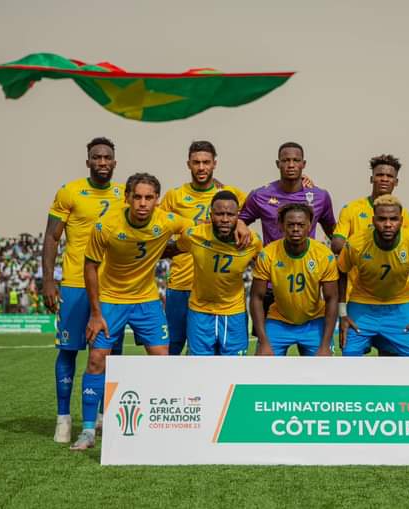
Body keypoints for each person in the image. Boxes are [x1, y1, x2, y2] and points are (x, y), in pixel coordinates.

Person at [70, 173, 191, 450]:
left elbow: (199, 229)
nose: (143, 203)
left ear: (157, 200)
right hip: (111, 300)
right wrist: (95, 314)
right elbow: (90, 267)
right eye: (137, 197)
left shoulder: (167, 220)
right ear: (127, 198)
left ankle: (158, 423)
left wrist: (240, 225)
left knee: (162, 359)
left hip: (147, 300)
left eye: (149, 197)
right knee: (97, 359)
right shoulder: (106, 226)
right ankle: (88, 430)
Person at [42, 137, 126, 444]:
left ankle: (104, 414)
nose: (102, 162)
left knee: (111, 352)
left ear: (115, 162)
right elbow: (52, 237)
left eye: (107, 157)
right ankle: (63, 418)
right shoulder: (70, 191)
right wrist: (48, 280)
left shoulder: (125, 194)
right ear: (88, 161)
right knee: (68, 350)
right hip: (76, 284)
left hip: (112, 287)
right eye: (96, 157)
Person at [159, 141, 248, 355]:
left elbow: (260, 209)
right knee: (173, 346)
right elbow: (156, 227)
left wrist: (303, 184)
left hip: (216, 291)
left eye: (206, 162)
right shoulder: (174, 196)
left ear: (214, 164)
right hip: (182, 283)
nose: (201, 167)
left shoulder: (231, 194)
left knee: (212, 351)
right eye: (196, 162)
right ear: (188, 164)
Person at [338, 195, 409, 356]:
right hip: (362, 304)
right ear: (373, 220)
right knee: (349, 356)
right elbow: (341, 271)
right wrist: (343, 314)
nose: (388, 224)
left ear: (401, 221)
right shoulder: (356, 243)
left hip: (400, 305)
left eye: (393, 219)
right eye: (382, 219)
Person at [174, 190, 262, 355]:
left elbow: (265, 266)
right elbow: (171, 249)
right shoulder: (194, 235)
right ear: (211, 215)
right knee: (198, 366)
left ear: (238, 217)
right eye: (220, 214)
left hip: (234, 312)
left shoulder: (252, 241)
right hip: (199, 311)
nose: (225, 219)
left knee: (233, 367)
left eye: (230, 215)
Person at [249, 203, 338, 356]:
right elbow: (256, 297)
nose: (296, 229)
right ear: (281, 226)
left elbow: (332, 298)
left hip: (314, 320)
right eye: (290, 225)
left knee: (324, 366)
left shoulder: (324, 255)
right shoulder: (268, 254)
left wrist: (325, 345)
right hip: (279, 320)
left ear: (309, 226)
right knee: (264, 363)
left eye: (301, 225)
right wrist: (263, 341)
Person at [239, 142, 336, 246]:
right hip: (272, 256)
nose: (291, 165)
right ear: (278, 164)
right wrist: (240, 224)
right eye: (285, 160)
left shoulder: (320, 196)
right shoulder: (259, 195)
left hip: (306, 256)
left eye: (296, 160)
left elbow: (333, 233)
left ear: (303, 164)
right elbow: (237, 222)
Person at [330, 154, 409, 255]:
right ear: (371, 179)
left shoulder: (405, 216)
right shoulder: (351, 208)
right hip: (359, 265)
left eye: (389, 176)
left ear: (396, 182)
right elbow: (337, 246)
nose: (384, 179)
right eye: (380, 175)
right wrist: (367, 255)